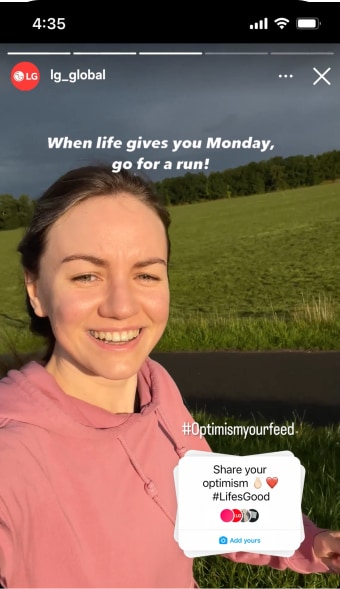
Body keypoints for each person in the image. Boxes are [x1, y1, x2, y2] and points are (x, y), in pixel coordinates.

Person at [0, 165, 339, 588]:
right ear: (36, 290)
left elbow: (210, 497)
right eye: (86, 275)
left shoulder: (155, 385)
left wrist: (311, 541)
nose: (121, 306)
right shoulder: (12, 456)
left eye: (145, 274)